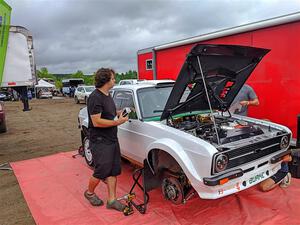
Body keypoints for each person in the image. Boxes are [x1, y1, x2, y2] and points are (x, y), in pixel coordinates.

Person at [84, 68, 128, 212]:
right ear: (106, 80)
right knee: (102, 170)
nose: (115, 81)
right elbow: (96, 121)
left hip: (111, 138)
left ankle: (112, 200)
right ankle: (89, 193)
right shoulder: (95, 97)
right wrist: (118, 122)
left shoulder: (107, 95)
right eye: (113, 78)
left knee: (113, 170)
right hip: (100, 140)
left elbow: (108, 113)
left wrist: (119, 113)